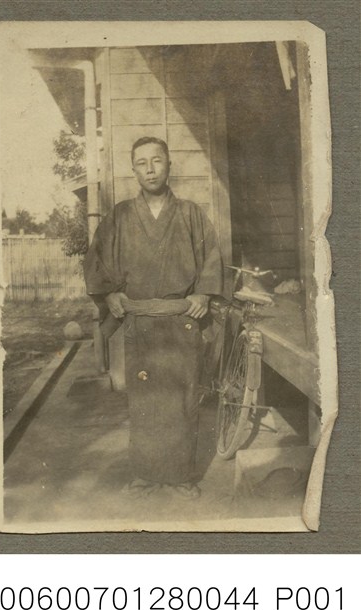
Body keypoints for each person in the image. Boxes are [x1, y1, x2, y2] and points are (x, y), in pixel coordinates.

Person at [83, 137, 223, 498]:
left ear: (169, 165)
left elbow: (211, 258)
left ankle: (181, 477)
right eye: (141, 163)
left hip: (181, 321)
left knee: (183, 400)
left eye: (156, 161)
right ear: (133, 170)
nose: (150, 169)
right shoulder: (119, 217)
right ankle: (145, 475)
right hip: (140, 323)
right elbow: (96, 260)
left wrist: (204, 293)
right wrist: (110, 294)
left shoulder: (191, 214)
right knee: (144, 401)